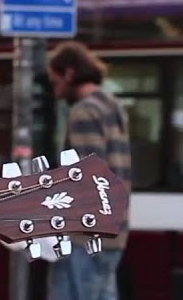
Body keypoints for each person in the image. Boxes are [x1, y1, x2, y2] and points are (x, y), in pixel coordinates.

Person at [43, 41, 131, 300]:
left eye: (55, 81)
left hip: (85, 237)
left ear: (69, 73)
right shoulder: (112, 106)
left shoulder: (84, 112)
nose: (55, 91)